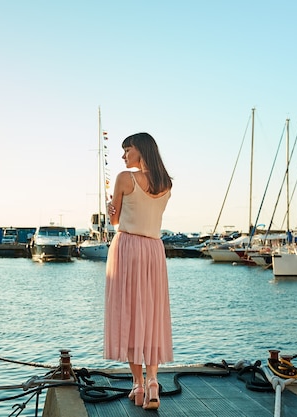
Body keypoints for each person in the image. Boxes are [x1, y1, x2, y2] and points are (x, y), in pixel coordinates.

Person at [103, 132, 173, 410]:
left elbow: (117, 220)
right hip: (154, 251)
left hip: (128, 247)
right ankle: (154, 382)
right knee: (151, 316)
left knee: (130, 315)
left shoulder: (124, 178)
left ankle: (138, 385)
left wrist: (111, 210)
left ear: (140, 150)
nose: (123, 156)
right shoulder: (166, 184)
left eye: (127, 150)